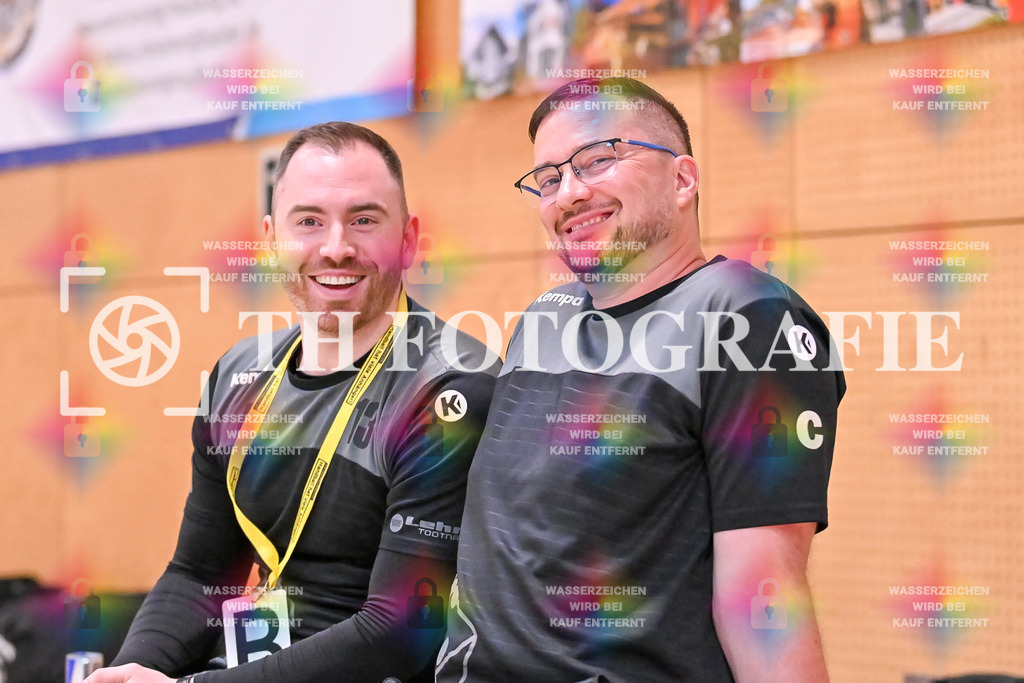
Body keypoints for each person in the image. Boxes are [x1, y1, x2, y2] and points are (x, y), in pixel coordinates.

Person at [436, 77, 845, 682]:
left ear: (682, 179)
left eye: (597, 161)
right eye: (548, 179)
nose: (568, 194)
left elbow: (764, 594)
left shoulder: (746, 316)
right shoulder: (545, 317)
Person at [86, 122, 499, 683]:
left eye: (364, 220)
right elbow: (201, 572)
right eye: (308, 221)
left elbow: (406, 630)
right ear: (270, 237)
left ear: (408, 238)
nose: (336, 248)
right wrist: (137, 669)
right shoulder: (238, 377)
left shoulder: (449, 388)